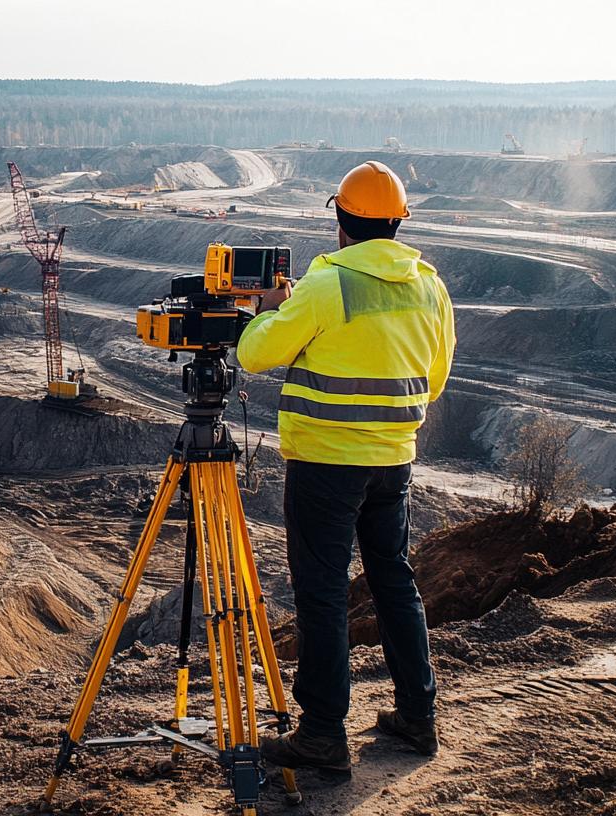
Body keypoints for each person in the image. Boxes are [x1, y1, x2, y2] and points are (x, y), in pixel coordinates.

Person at [235, 160, 455, 774]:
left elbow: (255, 353)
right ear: (396, 223)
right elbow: (433, 380)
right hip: (393, 463)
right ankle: (418, 714)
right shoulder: (429, 287)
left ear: (341, 221)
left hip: (327, 464)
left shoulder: (327, 285)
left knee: (324, 594)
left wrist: (271, 310)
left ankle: (324, 735)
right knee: (395, 583)